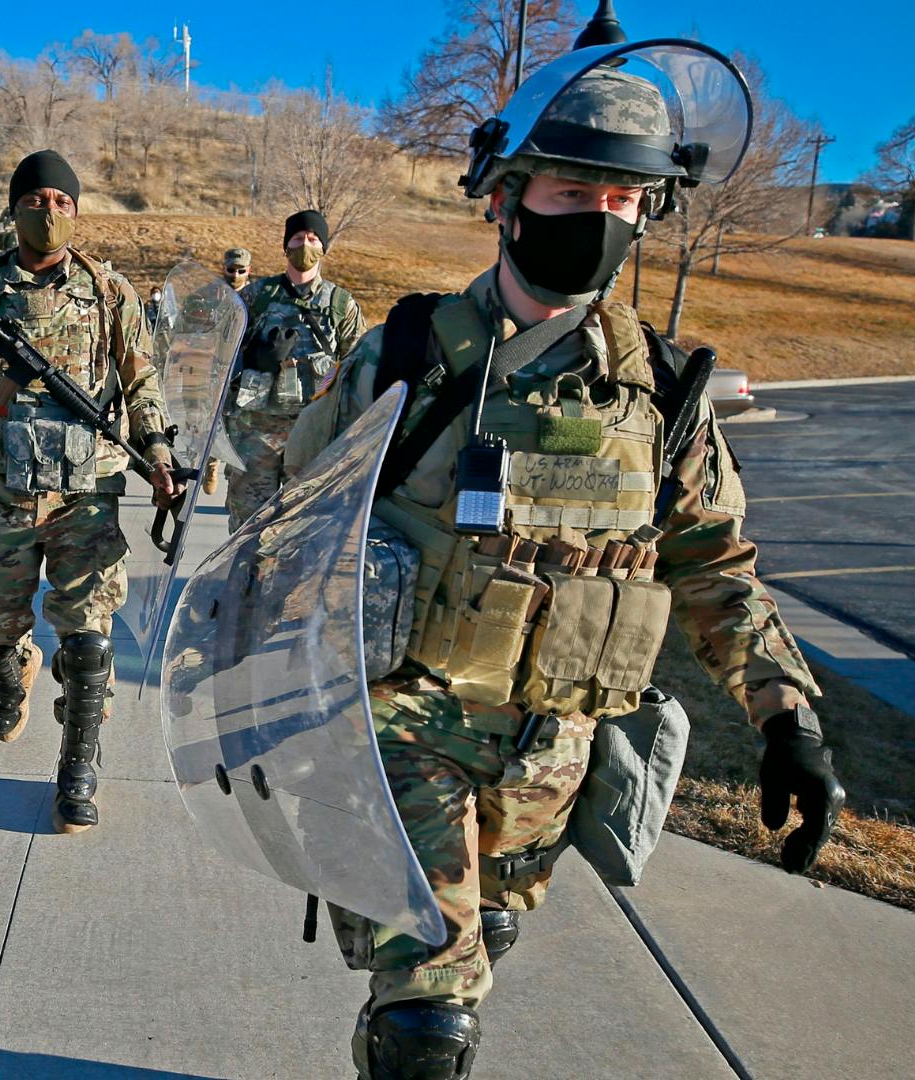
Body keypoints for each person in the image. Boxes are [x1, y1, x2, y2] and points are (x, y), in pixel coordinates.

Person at [280, 37, 844, 1080]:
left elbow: (715, 567)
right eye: (572, 189)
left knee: (481, 950)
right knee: (429, 1022)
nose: (599, 215)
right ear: (506, 198)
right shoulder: (404, 357)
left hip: (551, 760)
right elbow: (294, 518)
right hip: (406, 736)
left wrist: (787, 720)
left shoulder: (662, 394)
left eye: (623, 197)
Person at [0, 149, 178, 833]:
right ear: (13, 209)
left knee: (89, 635)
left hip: (86, 492)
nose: (49, 211)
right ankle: (13, 670)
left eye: (62, 201)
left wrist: (159, 454)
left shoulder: (109, 293)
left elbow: (141, 384)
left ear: (77, 211)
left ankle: (77, 771)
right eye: (35, 200)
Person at [223, 209, 365, 529]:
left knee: (301, 527)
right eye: (298, 238)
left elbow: (355, 365)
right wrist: (255, 357)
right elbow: (223, 351)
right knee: (246, 527)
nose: (305, 245)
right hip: (255, 431)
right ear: (286, 246)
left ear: (323, 247)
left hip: (312, 432)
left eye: (313, 239)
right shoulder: (257, 296)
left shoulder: (340, 304)